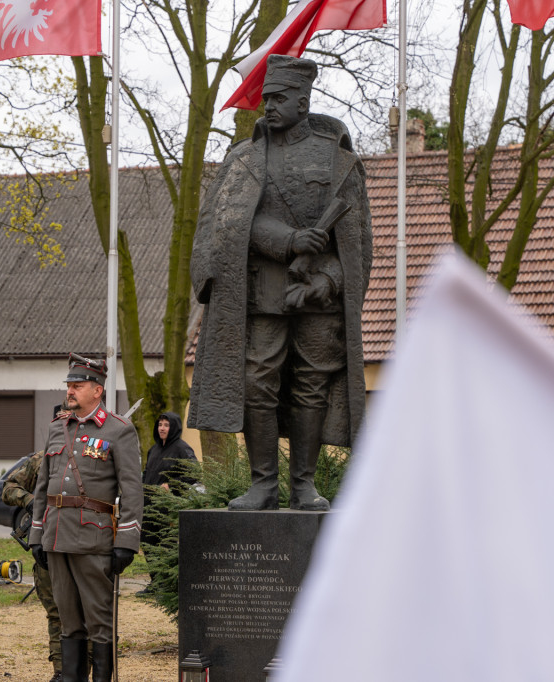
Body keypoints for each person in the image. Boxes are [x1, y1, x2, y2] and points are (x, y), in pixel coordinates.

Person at [189, 54, 373, 512]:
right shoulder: (245, 159)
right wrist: (289, 239)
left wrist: (327, 284)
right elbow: (227, 226)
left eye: (278, 98)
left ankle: (305, 485)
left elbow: (357, 243)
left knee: (311, 384)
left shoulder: (338, 160)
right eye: (265, 98)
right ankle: (264, 484)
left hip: (317, 297)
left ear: (303, 101)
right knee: (257, 381)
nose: (268, 107)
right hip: (261, 293)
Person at [28, 354, 143, 682]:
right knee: (68, 622)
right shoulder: (56, 428)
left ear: (97, 390)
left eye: (77, 386)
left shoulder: (118, 430)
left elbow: (132, 491)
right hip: (56, 537)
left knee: (99, 624)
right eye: (69, 386)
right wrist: (37, 534)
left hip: (93, 538)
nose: (70, 391)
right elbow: (42, 488)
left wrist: (127, 541)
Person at [4, 446, 64, 682]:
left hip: (82, 544)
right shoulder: (42, 458)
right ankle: (60, 671)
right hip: (47, 543)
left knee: (85, 613)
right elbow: (8, 488)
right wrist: (30, 501)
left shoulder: (90, 454)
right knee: (55, 612)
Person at [141, 412, 197, 577]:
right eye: (160, 425)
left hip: (168, 507)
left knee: (165, 545)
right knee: (147, 542)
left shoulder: (182, 448)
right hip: (149, 506)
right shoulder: (154, 449)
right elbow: (146, 473)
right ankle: (155, 582)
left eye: (166, 425)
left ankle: (166, 583)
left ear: (174, 427)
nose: (162, 428)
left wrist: (171, 485)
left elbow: (194, 474)